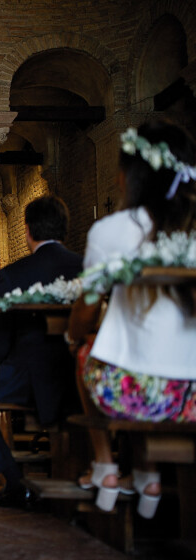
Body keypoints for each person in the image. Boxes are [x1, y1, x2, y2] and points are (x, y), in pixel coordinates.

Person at [68, 120, 196, 519]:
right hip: (191, 396)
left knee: (88, 353)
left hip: (130, 392)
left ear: (130, 177)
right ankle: (146, 473)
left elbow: (87, 306)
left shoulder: (113, 230)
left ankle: (107, 465)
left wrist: (74, 335)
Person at [0, 195, 82, 508]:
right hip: (78, 374)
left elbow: (3, 335)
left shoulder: (13, 274)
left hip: (25, 374)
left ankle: (13, 481)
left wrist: (1, 366)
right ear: (63, 229)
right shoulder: (85, 267)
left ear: (29, 230)